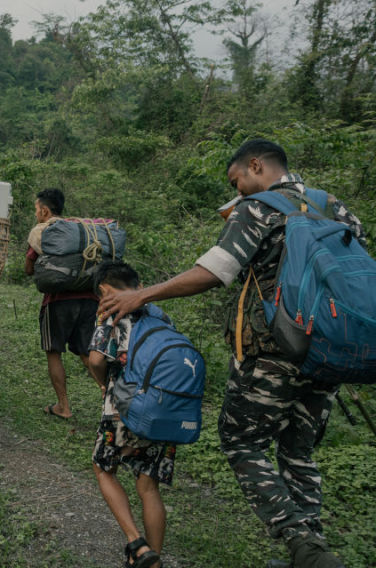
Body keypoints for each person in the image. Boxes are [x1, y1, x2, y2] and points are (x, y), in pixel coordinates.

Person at [98, 139, 364, 568]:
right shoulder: (335, 207)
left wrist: (141, 295)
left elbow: (215, 271)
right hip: (330, 352)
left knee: (240, 442)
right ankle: (311, 552)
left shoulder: (260, 207)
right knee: (298, 452)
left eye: (236, 180)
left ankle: (302, 545)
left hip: (274, 351)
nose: (237, 190)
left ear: (255, 165)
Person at [89, 261, 172, 568]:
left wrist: (102, 384)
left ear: (104, 290)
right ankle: (155, 559)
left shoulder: (110, 313)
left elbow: (97, 359)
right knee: (148, 484)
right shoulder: (160, 314)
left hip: (124, 405)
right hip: (163, 407)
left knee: (103, 468)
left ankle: (136, 544)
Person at [24, 188, 98, 419]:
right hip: (89, 300)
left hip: (57, 302)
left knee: (54, 351)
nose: (36, 214)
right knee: (87, 353)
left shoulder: (46, 232)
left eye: (37, 210)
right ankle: (114, 404)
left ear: (45, 210)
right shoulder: (77, 230)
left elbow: (28, 267)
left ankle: (63, 406)